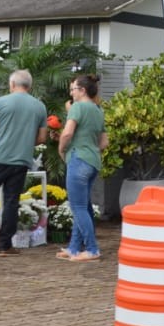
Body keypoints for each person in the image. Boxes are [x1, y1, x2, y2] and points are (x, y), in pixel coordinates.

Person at [0, 69, 48, 256]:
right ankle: (5, 246)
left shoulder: (1, 102)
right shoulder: (39, 106)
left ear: (12, 84)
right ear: (29, 86)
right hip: (21, 160)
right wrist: (23, 143)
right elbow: (41, 138)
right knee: (11, 201)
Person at [57, 74, 107, 262]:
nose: (71, 93)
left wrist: (61, 149)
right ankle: (74, 248)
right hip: (93, 160)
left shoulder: (77, 107)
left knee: (77, 206)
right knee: (83, 206)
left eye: (73, 89)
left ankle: (92, 249)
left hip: (78, 159)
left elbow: (67, 132)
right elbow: (104, 142)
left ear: (82, 90)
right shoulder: (97, 109)